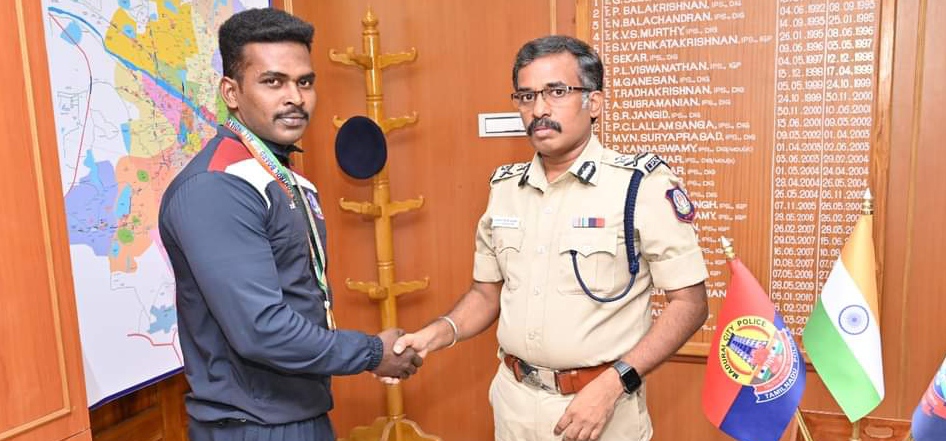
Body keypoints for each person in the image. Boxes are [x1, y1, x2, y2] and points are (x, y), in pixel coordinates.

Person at [391, 35, 709, 441]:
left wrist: (615, 384)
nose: (539, 109)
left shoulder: (639, 186)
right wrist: (435, 334)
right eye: (526, 96)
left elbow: (690, 304)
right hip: (514, 403)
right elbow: (486, 294)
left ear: (594, 103)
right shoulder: (505, 189)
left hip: (600, 409)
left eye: (557, 92)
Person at [158, 8, 421, 441]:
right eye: (273, 82)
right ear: (231, 92)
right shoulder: (217, 186)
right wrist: (372, 352)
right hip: (252, 427)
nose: (295, 98)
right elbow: (261, 330)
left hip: (297, 414)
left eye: (305, 82)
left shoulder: (277, 172)